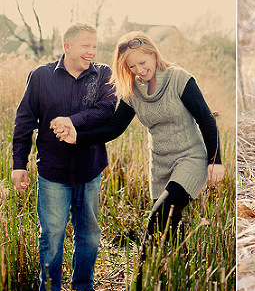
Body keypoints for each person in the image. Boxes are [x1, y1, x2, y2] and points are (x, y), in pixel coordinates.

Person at [51, 32, 225, 290]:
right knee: (172, 229)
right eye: (132, 67)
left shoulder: (179, 79)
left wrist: (215, 159)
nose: (139, 70)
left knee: (157, 218)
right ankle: (185, 281)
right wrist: (77, 137)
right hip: (160, 163)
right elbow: (113, 128)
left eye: (143, 63)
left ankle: (138, 284)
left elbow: (205, 119)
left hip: (190, 157)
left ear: (153, 54)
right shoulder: (132, 90)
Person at [11, 23, 116, 291]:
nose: (92, 51)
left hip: (90, 169)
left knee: (90, 236)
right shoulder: (40, 77)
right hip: (53, 172)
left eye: (95, 46)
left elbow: (106, 109)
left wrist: (72, 121)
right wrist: (18, 164)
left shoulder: (103, 74)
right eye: (85, 46)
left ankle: (84, 286)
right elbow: (24, 122)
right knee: (53, 236)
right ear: (67, 47)